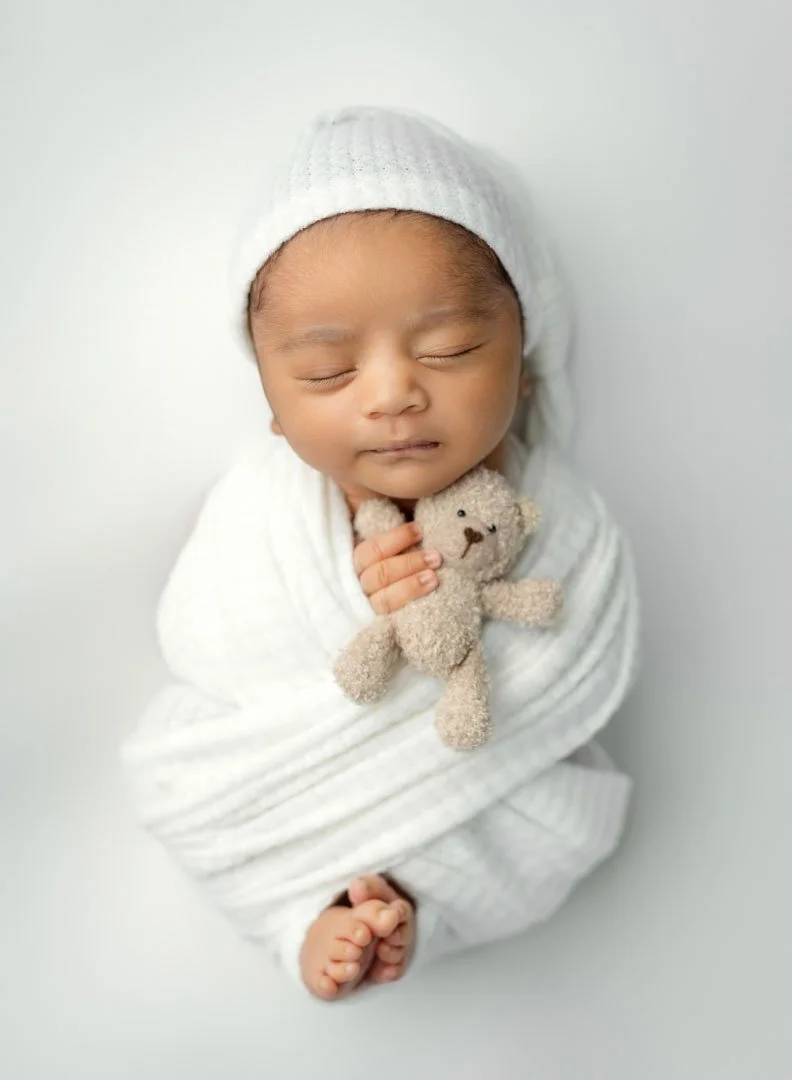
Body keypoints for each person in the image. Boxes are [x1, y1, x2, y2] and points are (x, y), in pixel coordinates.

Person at [119, 106, 640, 1003]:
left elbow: (572, 644)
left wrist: (462, 592)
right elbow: (206, 645)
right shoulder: (261, 512)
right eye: (328, 373)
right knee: (183, 773)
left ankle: (406, 914)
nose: (395, 392)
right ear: (275, 406)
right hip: (285, 782)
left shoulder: (564, 518)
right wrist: (361, 613)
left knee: (548, 826)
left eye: (450, 349)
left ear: (524, 361)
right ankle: (307, 923)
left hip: (483, 801)